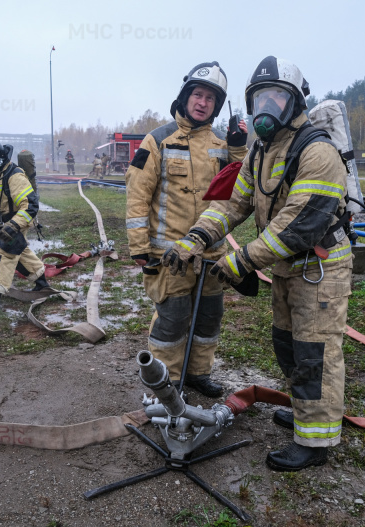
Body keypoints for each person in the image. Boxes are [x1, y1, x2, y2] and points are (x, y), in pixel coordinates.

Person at [164, 56, 351, 470]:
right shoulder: (261, 151)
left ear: (294, 101)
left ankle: (316, 444)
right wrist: (195, 238)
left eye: (276, 97)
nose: (266, 107)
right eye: (259, 98)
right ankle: (307, 414)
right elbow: (233, 204)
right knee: (287, 345)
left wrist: (241, 260)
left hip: (319, 268)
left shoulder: (317, 150)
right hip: (288, 268)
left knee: (313, 352)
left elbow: (296, 225)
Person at [126, 61, 248, 397]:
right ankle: (164, 383)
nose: (203, 102)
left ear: (217, 105)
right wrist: (139, 248)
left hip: (211, 253)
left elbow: (242, 188)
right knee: (172, 321)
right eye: (198, 94)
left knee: (209, 318)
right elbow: (138, 197)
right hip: (169, 256)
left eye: (210, 98)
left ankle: (197, 374)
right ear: (185, 96)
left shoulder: (223, 144)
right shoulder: (158, 141)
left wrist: (239, 146)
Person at [0, 138, 50, 311]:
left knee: (3, 255)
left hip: (16, 222)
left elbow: (30, 205)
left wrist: (14, 225)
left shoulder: (14, 176)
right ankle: (42, 283)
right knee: (21, 252)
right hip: (5, 222)